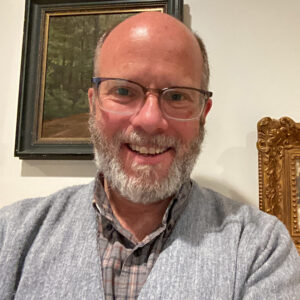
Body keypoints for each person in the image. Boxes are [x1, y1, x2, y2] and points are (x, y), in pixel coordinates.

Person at [0, 12, 299, 300]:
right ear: (93, 105)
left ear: (203, 115)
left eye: (177, 96)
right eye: (124, 91)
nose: (150, 120)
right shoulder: (11, 236)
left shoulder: (261, 248)